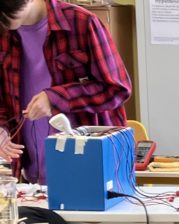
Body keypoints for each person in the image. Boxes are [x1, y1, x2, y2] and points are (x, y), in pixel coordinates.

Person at [0, 0, 131, 185]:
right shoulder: (5, 33)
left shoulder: (82, 23)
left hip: (91, 168)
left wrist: (55, 98)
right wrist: (1, 128)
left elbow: (117, 89)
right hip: (31, 176)